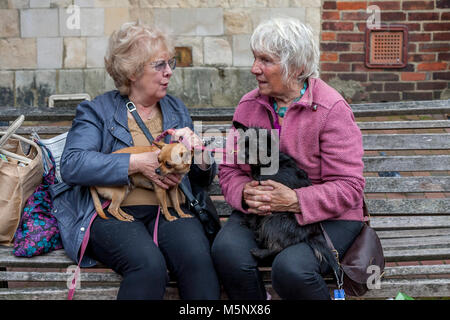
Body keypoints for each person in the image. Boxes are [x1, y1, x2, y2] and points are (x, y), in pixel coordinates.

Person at [51, 21, 220, 300]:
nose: (169, 72)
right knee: (148, 265)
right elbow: (73, 164)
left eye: (171, 63)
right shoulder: (98, 111)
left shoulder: (176, 109)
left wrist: (200, 154)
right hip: (111, 212)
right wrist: (136, 163)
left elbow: (200, 180)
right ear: (132, 71)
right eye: (159, 65)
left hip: (169, 209)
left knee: (198, 261)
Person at [211, 17, 365, 300]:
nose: (254, 68)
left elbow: (349, 187)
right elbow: (231, 170)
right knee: (227, 253)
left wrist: (295, 200)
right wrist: (245, 193)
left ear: (298, 68)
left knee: (291, 269)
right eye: (255, 58)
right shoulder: (248, 106)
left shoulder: (331, 109)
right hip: (264, 215)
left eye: (266, 60)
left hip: (328, 217)